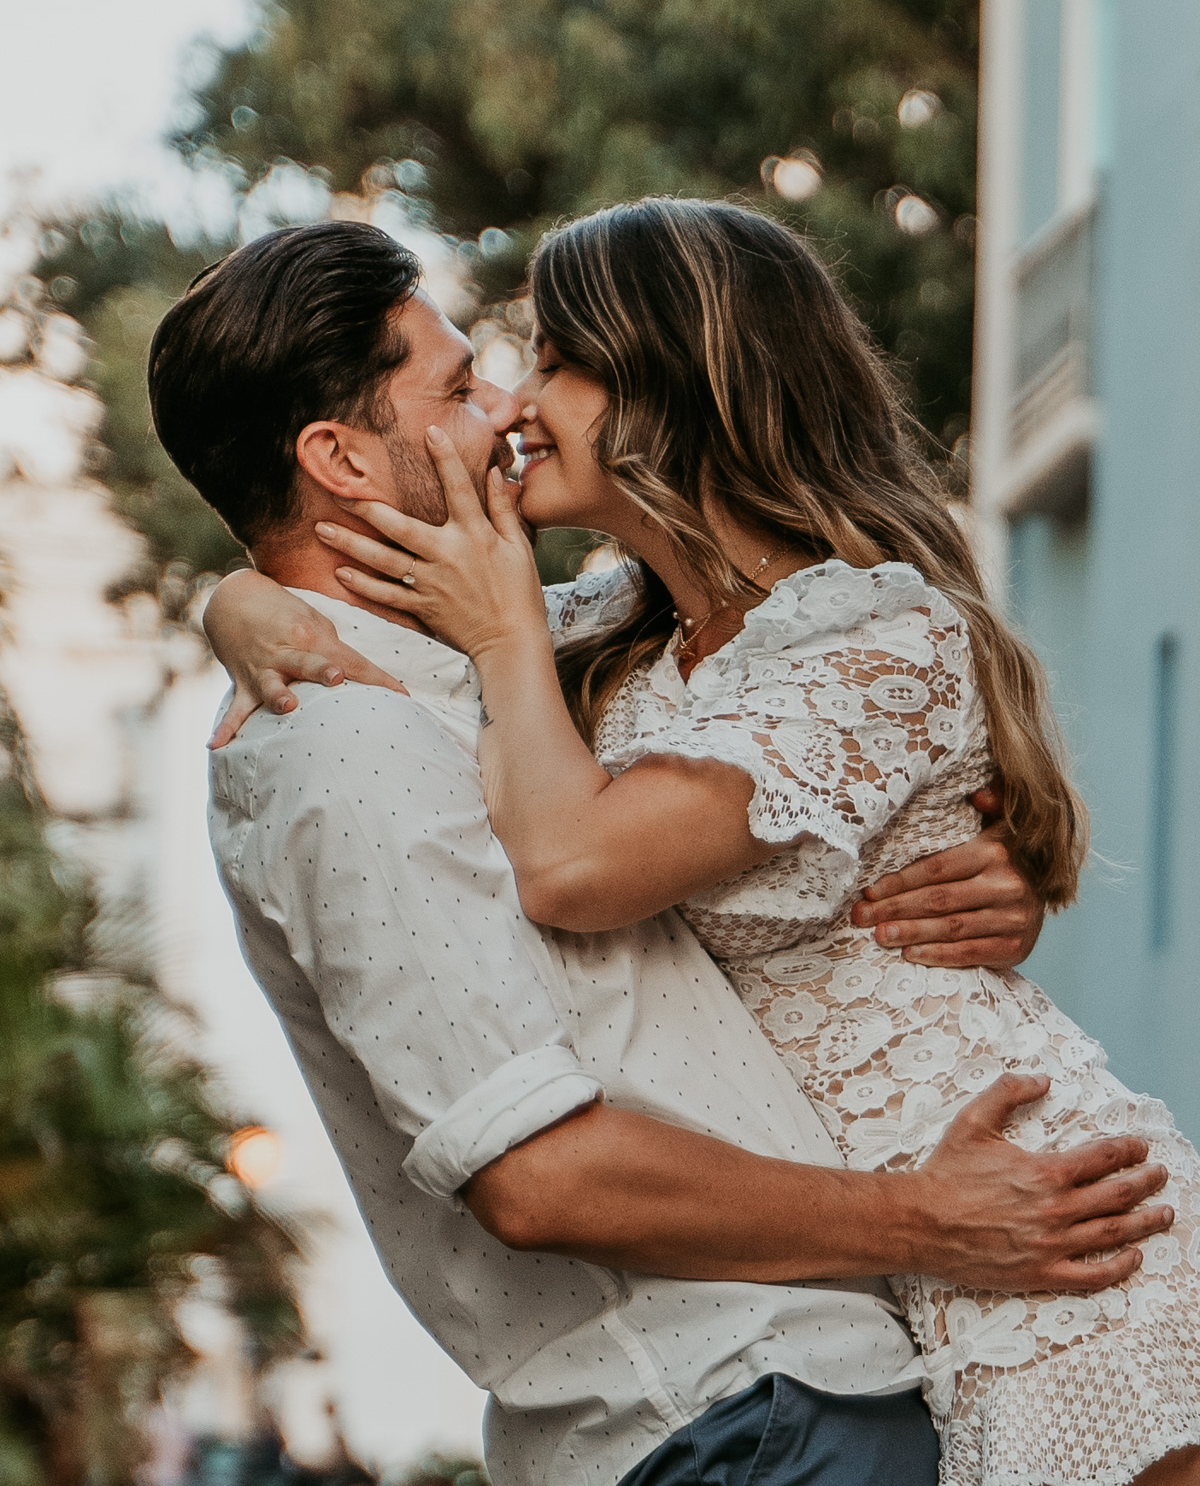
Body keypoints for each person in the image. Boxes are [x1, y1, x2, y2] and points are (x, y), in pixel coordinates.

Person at [151, 220, 1171, 1486]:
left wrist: (999, 884)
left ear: (677, 392)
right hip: (837, 1324)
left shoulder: (781, 645)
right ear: (341, 455)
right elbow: (534, 1155)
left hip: (1047, 1233)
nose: (511, 406)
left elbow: (584, 841)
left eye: (545, 367)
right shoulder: (517, 670)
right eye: (464, 385)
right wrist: (238, 601)